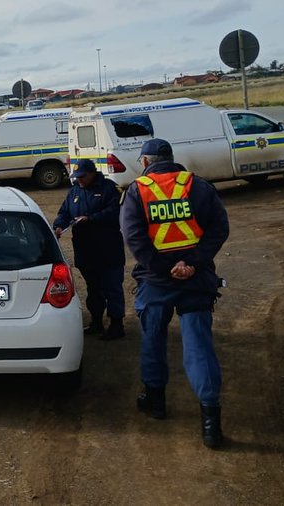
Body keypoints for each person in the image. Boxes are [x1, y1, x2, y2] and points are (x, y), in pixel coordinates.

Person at [121, 138, 230, 448]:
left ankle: (155, 402)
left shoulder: (137, 191)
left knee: (153, 341)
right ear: (171, 158)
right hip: (195, 281)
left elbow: (134, 239)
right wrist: (192, 264)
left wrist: (165, 268)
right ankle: (211, 425)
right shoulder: (198, 186)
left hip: (156, 283)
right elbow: (219, 229)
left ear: (145, 162)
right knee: (199, 347)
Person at [53, 159, 127, 340]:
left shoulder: (109, 188)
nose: (80, 180)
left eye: (83, 176)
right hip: (86, 250)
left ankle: (117, 325)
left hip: (108, 249)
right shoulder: (75, 191)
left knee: (112, 287)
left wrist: (92, 219)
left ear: (93, 173)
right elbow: (64, 212)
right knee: (93, 288)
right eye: (77, 177)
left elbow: (117, 212)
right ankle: (96, 322)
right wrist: (58, 226)